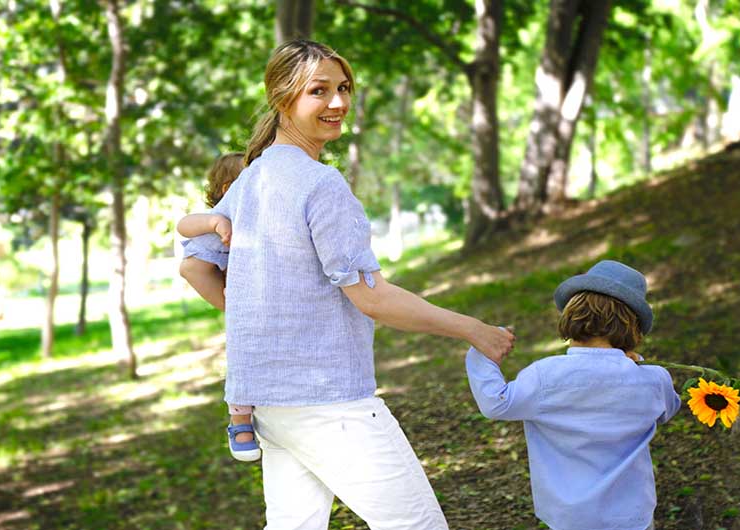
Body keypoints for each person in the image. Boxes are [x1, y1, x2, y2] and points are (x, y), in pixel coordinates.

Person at [179, 39, 514, 530]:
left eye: (343, 88)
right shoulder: (321, 185)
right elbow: (372, 297)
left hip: (268, 402)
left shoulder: (250, 180)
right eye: (319, 91)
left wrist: (256, 317)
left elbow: (195, 266)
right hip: (328, 400)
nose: (338, 103)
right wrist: (473, 329)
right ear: (281, 97)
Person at [466, 260, 682, 530]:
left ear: (570, 315)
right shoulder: (654, 379)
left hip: (571, 517)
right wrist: (637, 363)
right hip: (632, 515)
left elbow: (495, 404)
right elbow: (668, 409)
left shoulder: (545, 376)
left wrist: (481, 352)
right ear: (633, 328)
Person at [176, 152, 262, 462]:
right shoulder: (216, 220)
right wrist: (215, 221)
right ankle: (239, 421)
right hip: (229, 292)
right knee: (241, 356)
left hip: (255, 295)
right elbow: (183, 225)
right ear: (230, 189)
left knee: (256, 354)